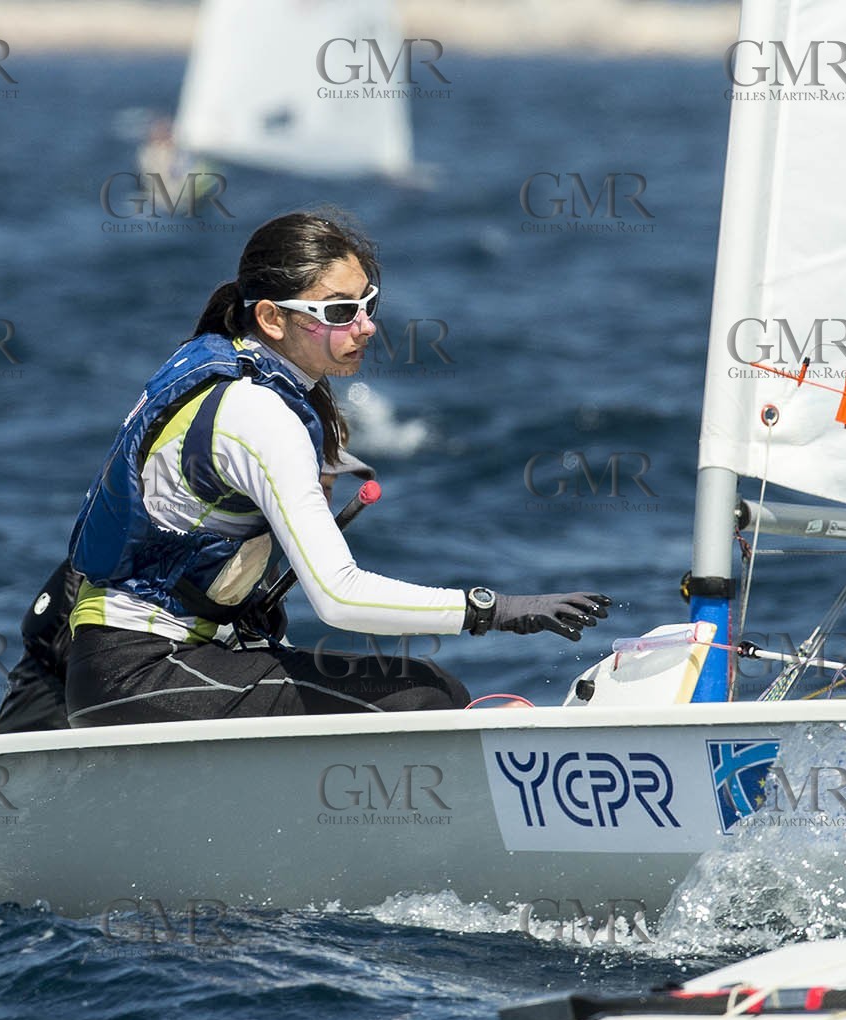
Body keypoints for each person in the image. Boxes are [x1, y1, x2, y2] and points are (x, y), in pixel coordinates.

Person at [61, 210, 609, 726]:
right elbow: (339, 598)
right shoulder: (257, 413)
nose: (367, 326)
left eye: (368, 303)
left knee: (417, 687)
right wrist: (493, 609)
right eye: (340, 311)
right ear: (272, 319)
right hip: (141, 673)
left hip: (148, 660)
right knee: (422, 696)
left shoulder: (240, 372)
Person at [0, 444, 374, 734]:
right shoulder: (175, 533)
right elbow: (72, 645)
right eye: (313, 486)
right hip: (57, 713)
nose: (322, 503)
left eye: (329, 488)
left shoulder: (260, 555)